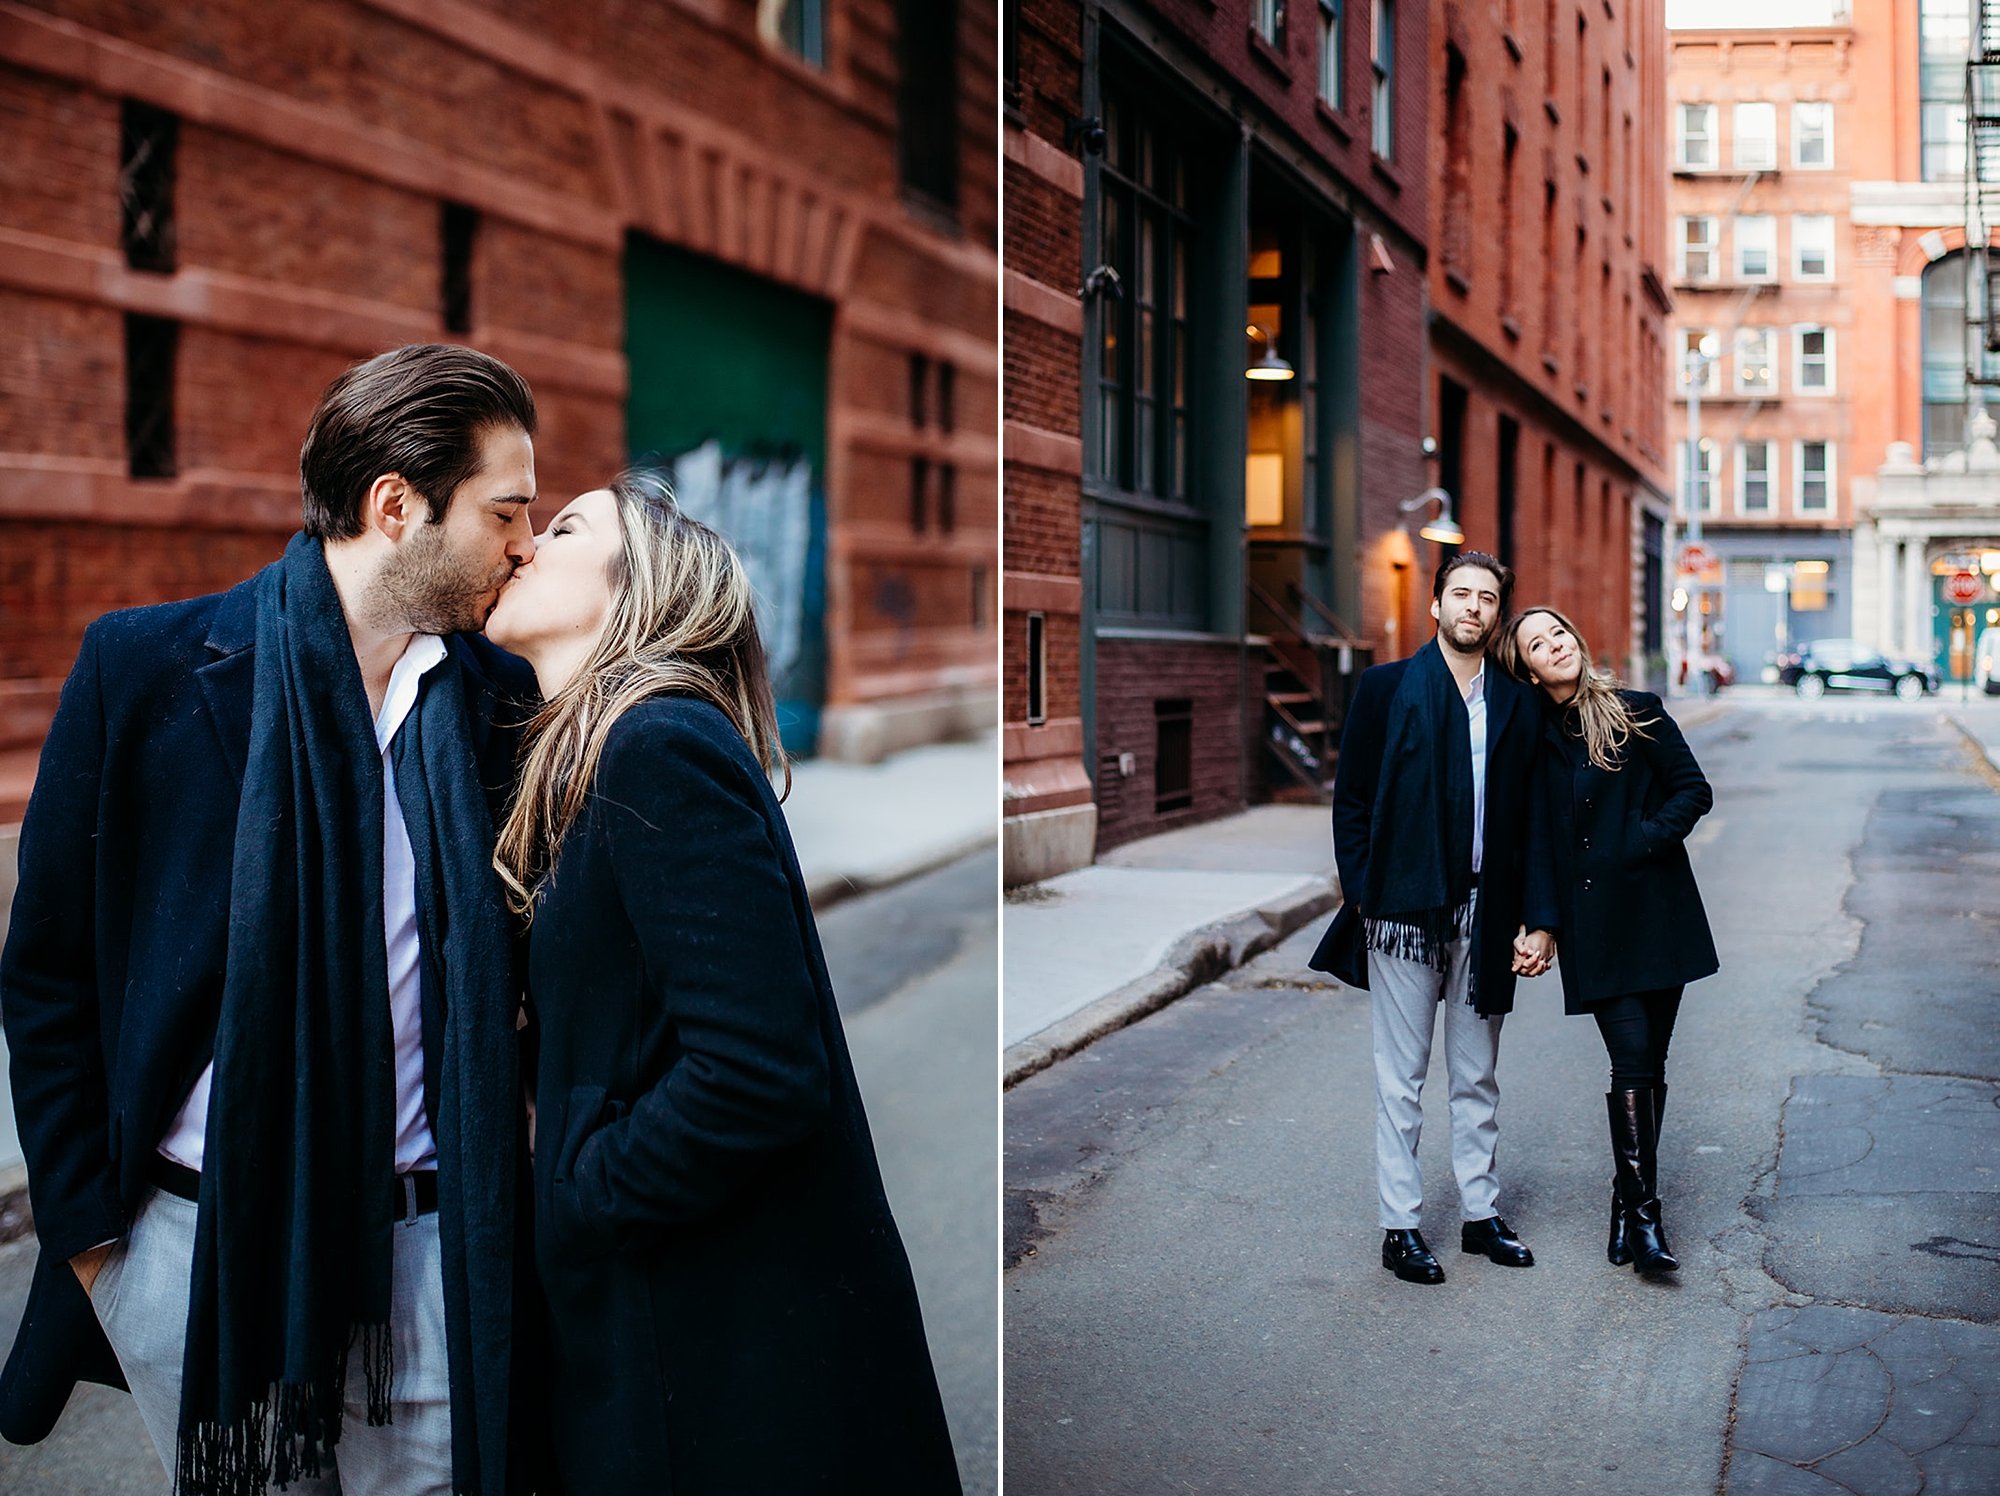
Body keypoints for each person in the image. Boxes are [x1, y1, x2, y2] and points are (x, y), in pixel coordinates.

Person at [0, 345, 544, 1495]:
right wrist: (100, 1244)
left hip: (439, 1260)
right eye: (505, 509)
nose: (524, 543)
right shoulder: (145, 667)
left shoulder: (503, 704)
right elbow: (48, 971)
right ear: (394, 505)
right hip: (197, 1257)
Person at [482, 470, 961, 1494]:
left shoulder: (654, 744)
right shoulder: (597, 752)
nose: (523, 544)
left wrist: (577, 1191)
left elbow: (759, 1067)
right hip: (678, 1327)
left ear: (636, 586)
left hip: (714, 1354)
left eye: (561, 527)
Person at [1309, 551, 1559, 1285]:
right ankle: (1401, 1227)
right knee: (1402, 1077)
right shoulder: (1386, 689)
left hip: (1489, 907)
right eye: (1461, 594)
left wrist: (1537, 918)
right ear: (1436, 606)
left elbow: (1534, 819)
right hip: (1404, 908)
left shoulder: (1515, 701)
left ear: (1496, 614)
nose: (1473, 608)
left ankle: (1481, 1216)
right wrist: (1365, 891)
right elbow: (1351, 800)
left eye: (1487, 598)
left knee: (1477, 1075)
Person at [1496, 605, 1719, 1275]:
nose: (1556, 645)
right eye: (1538, 643)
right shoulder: (1531, 738)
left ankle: (1626, 1204)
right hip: (1594, 927)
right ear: (1527, 669)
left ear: (1576, 637)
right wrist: (1543, 926)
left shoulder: (1635, 709)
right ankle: (1646, 1221)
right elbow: (1534, 839)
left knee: (1650, 1061)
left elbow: (1693, 790)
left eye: (1560, 632)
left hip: (1658, 912)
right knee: (1631, 1061)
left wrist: (1640, 843)